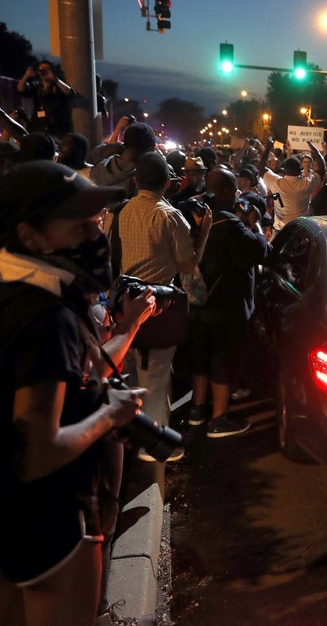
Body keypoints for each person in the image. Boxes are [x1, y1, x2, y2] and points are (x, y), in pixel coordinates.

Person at [0, 161, 148, 626]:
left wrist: (128, 329)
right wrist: (109, 416)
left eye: (97, 224)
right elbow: (39, 452)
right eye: (79, 227)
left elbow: (66, 374)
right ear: (30, 235)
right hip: (47, 518)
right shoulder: (45, 317)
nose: (95, 239)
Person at [107, 152, 211, 461]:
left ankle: (128, 437)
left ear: (136, 180)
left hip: (121, 304)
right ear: (167, 182)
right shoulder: (170, 216)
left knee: (129, 373)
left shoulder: (119, 211)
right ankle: (152, 446)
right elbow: (188, 265)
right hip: (155, 305)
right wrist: (204, 233)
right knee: (155, 376)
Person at [187, 167, 271, 436]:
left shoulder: (195, 215)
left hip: (198, 304)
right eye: (234, 189)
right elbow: (262, 251)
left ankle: (197, 411)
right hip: (227, 307)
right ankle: (218, 419)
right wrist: (254, 223)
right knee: (223, 362)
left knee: (200, 360)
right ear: (224, 190)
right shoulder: (229, 225)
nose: (236, 195)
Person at [16, 60, 76, 137]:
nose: (44, 72)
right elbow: (20, 90)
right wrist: (26, 76)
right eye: (41, 69)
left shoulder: (58, 86)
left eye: (47, 69)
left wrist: (55, 79)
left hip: (57, 126)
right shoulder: (37, 87)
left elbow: (70, 93)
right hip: (39, 125)